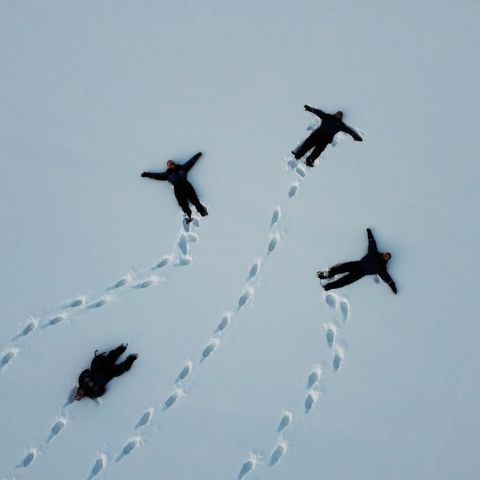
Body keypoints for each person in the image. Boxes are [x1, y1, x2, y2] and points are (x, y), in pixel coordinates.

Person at [317, 228, 397, 294]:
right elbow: (372, 243)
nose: (386, 256)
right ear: (384, 253)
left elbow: (387, 278)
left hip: (361, 273)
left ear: (387, 260)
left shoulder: (382, 268)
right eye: (386, 254)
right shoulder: (374, 253)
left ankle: (329, 286)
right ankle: (327, 275)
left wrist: (392, 285)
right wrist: (369, 234)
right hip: (357, 264)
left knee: (344, 281)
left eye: (387, 257)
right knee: (340, 268)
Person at [141, 152, 208, 223]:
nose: (171, 164)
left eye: (172, 163)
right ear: (168, 166)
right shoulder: (166, 174)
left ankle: (203, 213)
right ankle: (189, 216)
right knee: (183, 203)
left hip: (186, 185)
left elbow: (191, 162)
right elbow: (156, 176)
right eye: (169, 164)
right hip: (177, 188)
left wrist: (198, 155)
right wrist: (147, 174)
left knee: (194, 200)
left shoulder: (182, 168)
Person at [292, 105, 363, 167]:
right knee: (307, 144)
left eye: (340, 115)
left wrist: (354, 135)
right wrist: (311, 109)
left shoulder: (340, 125)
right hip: (318, 133)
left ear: (340, 117)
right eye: (337, 114)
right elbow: (319, 113)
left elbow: (348, 130)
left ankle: (309, 161)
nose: (338, 115)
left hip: (326, 139)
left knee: (318, 151)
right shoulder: (327, 117)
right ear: (335, 114)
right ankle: (298, 155)